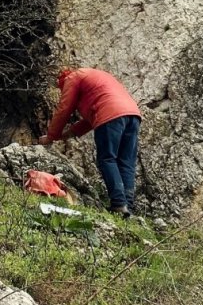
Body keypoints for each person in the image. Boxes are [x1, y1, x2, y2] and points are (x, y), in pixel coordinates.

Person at [39, 68, 142, 218]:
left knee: (107, 159)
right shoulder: (95, 77)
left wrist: (51, 136)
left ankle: (119, 204)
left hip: (110, 114)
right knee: (126, 163)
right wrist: (67, 135)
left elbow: (64, 108)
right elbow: (90, 120)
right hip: (133, 115)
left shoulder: (73, 77)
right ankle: (128, 209)